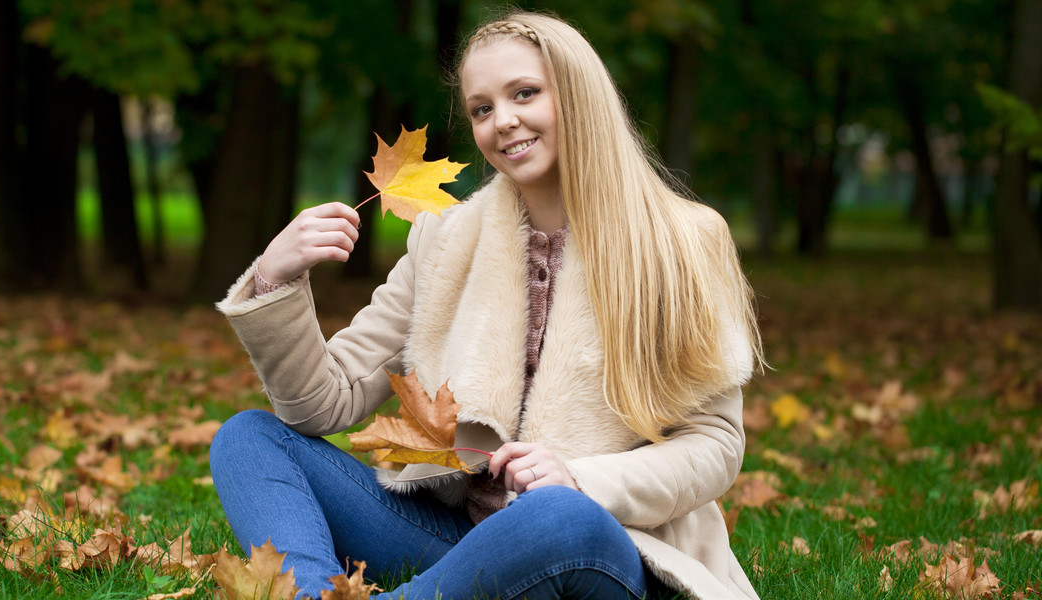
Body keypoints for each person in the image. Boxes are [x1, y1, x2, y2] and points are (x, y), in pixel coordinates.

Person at [210, 10, 764, 600]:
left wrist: (582, 481)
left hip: (604, 540)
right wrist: (275, 277)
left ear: (578, 94)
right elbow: (323, 404)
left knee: (557, 516)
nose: (503, 121)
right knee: (249, 439)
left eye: (524, 93)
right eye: (481, 108)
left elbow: (715, 444)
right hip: (455, 541)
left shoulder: (683, 241)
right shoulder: (444, 240)